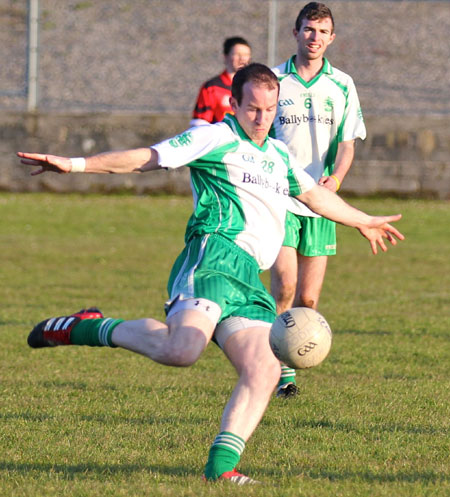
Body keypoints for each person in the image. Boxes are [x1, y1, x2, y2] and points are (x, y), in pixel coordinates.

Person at [18, 63, 403, 485]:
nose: (262, 119)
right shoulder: (214, 138)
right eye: (253, 109)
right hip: (213, 258)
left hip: (248, 279)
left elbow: (313, 196)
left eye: (271, 109)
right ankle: (89, 327)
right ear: (234, 104)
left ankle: (220, 470)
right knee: (182, 351)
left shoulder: (278, 156)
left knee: (265, 368)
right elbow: (147, 159)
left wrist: (362, 220)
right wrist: (74, 165)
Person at [270, 2, 367, 398]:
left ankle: (290, 361)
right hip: (279, 199)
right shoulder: (274, 80)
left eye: (322, 31)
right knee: (285, 289)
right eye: (308, 30)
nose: (315, 37)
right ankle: (281, 374)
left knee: (309, 298)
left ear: (332, 38)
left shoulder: (342, 84)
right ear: (295, 33)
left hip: (320, 202)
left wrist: (337, 179)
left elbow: (347, 143)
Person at [190, 36, 251, 126]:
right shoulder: (211, 88)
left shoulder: (253, 87)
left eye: (246, 55)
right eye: (237, 54)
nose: (242, 59)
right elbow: (200, 124)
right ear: (225, 57)